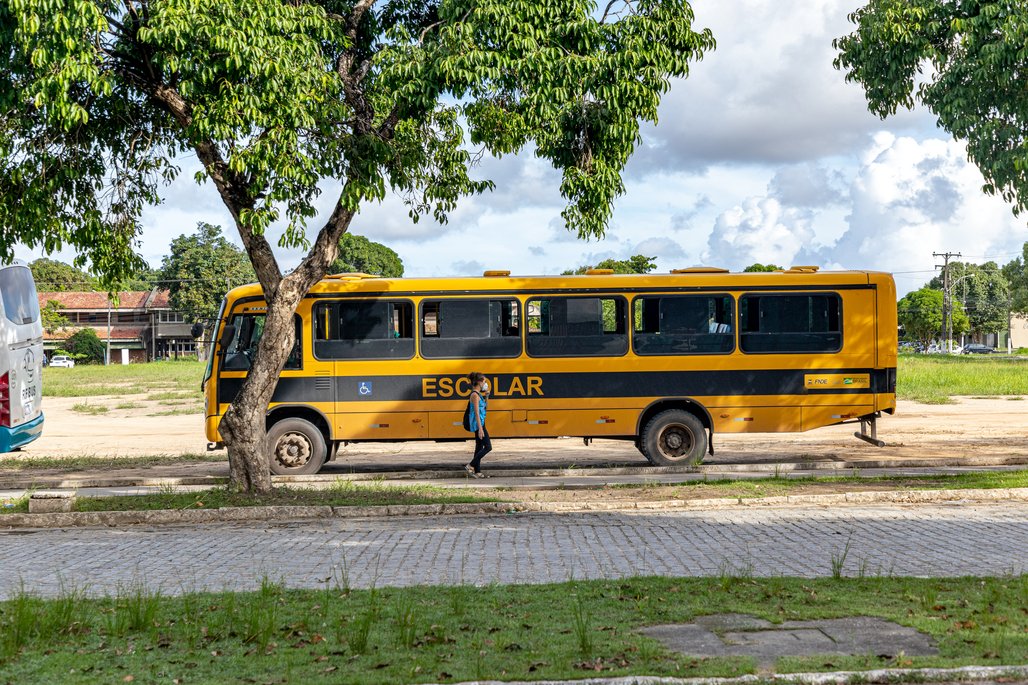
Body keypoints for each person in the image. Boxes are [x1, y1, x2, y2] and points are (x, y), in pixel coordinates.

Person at [464, 371, 491, 478]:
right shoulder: (474, 395)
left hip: (481, 423)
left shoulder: (479, 395)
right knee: (488, 447)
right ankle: (470, 465)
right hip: (478, 424)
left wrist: (487, 397)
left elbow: (484, 408)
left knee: (479, 447)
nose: (485, 383)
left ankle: (478, 471)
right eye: (484, 381)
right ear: (479, 382)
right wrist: (480, 429)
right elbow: (476, 413)